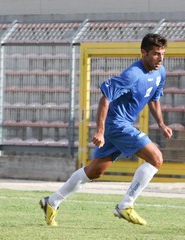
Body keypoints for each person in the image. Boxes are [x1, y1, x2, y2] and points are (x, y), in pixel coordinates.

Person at [40, 33, 173, 226]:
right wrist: (100, 131)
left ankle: (51, 201)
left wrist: (161, 123)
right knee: (156, 158)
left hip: (123, 125)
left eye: (162, 54)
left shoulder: (160, 72)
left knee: (94, 172)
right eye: (155, 54)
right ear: (143, 53)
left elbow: (154, 99)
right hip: (116, 124)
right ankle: (125, 205)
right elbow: (105, 98)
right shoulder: (132, 74)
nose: (160, 58)